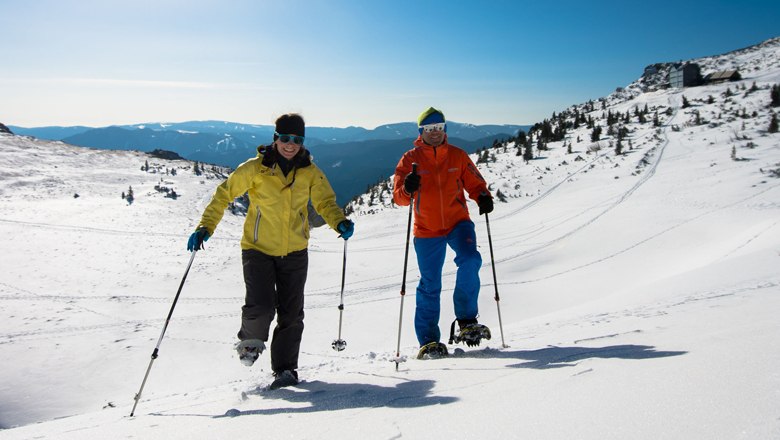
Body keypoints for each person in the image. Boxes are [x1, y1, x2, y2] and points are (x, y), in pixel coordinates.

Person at [187, 113, 354, 389]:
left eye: (297, 140)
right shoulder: (256, 168)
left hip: (295, 250)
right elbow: (224, 193)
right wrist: (206, 226)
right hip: (258, 249)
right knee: (261, 304)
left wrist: (339, 221)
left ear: (302, 142)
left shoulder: (310, 172)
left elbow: (325, 202)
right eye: (285, 138)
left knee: (291, 313)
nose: (290, 144)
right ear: (275, 138)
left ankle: (285, 370)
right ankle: (250, 344)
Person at [393, 107, 494, 359]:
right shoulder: (410, 159)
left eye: (439, 128)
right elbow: (399, 198)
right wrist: (407, 188)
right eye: (429, 129)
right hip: (426, 229)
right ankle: (428, 341)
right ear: (421, 132)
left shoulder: (458, 156)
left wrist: (482, 196)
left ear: (445, 129)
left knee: (471, 260)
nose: (435, 133)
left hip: (457, 222)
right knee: (430, 283)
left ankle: (467, 321)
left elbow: (475, 182)